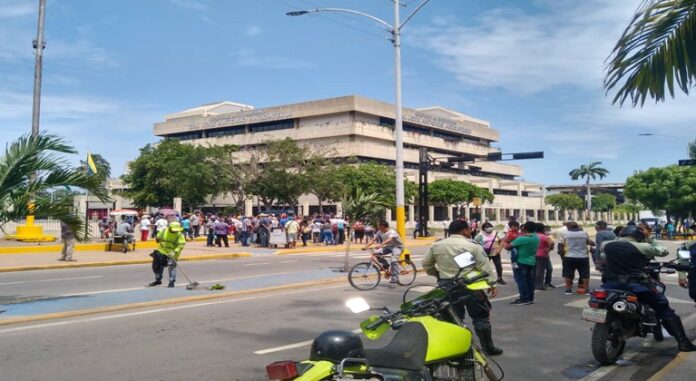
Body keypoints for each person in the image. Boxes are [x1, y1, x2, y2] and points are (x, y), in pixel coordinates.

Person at [602, 226, 695, 352]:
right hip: (637, 285)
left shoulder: (606, 245)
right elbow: (663, 251)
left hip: (610, 284)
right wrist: (649, 239)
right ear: (639, 236)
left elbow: (602, 259)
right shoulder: (642, 246)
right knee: (663, 308)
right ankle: (683, 342)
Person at [422, 220, 503, 356]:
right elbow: (485, 267)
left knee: (453, 317)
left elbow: (426, 264)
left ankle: (456, 349)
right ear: (465, 230)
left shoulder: (437, 245)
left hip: (447, 286)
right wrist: (492, 284)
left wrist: (438, 275)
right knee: (480, 316)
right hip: (471, 286)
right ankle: (488, 348)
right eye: (469, 230)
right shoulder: (472, 245)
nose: (471, 232)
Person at [503, 221, 539, 305]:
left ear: (524, 228)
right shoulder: (535, 237)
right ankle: (530, 298)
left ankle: (524, 299)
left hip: (520, 262)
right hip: (531, 261)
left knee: (520, 280)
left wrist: (505, 240)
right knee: (529, 280)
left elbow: (508, 247)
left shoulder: (522, 238)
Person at [558, 222, 595, 295]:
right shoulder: (584, 233)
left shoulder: (565, 234)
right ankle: (586, 290)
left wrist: (560, 252)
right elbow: (589, 242)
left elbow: (562, 245)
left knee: (568, 273)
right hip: (583, 257)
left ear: (569, 227)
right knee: (585, 274)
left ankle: (568, 289)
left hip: (569, 256)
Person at [148, 221, 186, 288]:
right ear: (169, 227)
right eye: (173, 230)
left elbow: (181, 244)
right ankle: (158, 280)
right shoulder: (163, 231)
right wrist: (158, 239)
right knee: (157, 266)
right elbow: (157, 239)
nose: (175, 231)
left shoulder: (179, 234)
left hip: (173, 253)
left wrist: (174, 252)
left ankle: (171, 282)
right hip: (162, 250)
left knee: (171, 267)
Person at [534, 223, 555, 290]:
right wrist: (549, 249)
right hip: (542, 254)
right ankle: (540, 285)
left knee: (534, 270)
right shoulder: (544, 236)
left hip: (534, 254)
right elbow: (551, 243)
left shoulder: (533, 235)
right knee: (540, 271)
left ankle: (534, 284)